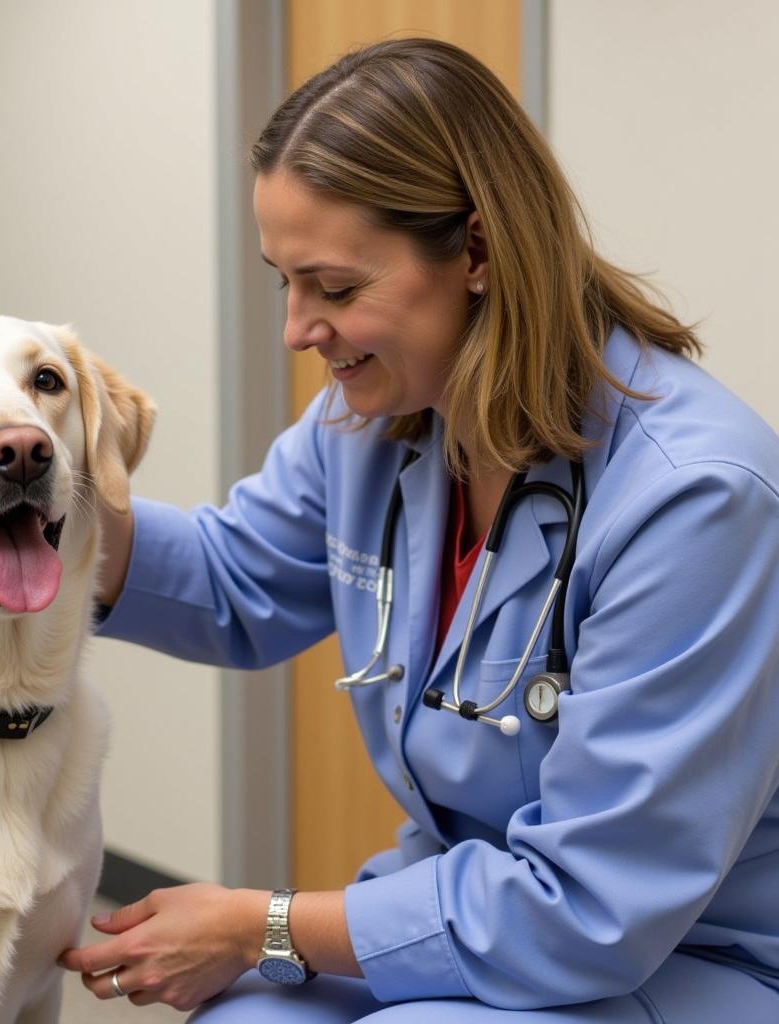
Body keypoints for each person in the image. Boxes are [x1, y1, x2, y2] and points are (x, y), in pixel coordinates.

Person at [58, 38, 779, 1022]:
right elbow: (233, 582)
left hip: (685, 953)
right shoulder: (373, 421)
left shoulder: (695, 497)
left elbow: (589, 911)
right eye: (284, 282)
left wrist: (257, 924)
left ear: (475, 252)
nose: (297, 330)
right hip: (469, 896)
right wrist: (43, 494)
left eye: (336, 288)